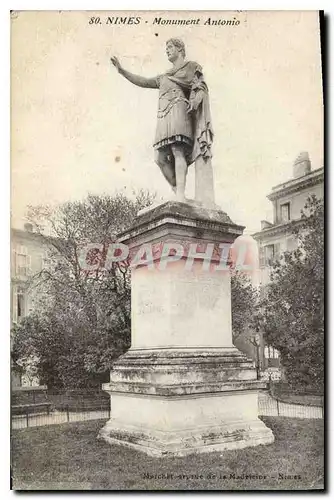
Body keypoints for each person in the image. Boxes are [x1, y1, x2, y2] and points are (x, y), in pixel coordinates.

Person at [111, 38, 213, 202]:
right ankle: (178, 192)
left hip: (180, 110)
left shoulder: (191, 67)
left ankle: (180, 194)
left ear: (180, 49)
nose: (167, 50)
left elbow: (200, 87)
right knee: (159, 157)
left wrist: (194, 102)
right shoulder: (163, 76)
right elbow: (143, 81)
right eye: (166, 48)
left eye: (170, 47)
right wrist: (122, 71)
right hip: (163, 115)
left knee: (177, 150)